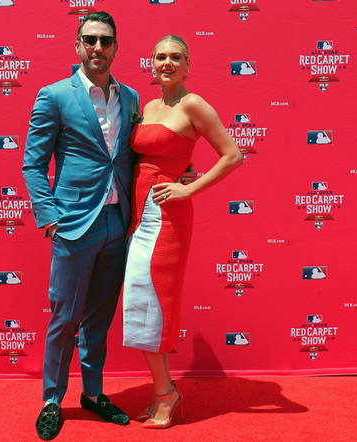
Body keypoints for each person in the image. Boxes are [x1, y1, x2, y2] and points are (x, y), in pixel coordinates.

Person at [22, 11, 138, 440]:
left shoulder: (129, 98)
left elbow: (132, 156)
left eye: (106, 41)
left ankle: (93, 394)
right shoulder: (54, 96)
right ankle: (53, 399)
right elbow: (33, 164)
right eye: (90, 40)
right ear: (77, 46)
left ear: (115, 48)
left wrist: (179, 170)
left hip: (116, 223)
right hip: (74, 226)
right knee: (64, 317)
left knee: (99, 319)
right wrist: (49, 217)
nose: (98, 49)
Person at [122, 34, 243, 429]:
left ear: (187, 65)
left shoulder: (192, 104)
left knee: (154, 305)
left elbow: (233, 154)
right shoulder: (149, 105)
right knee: (141, 306)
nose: (167, 62)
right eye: (160, 56)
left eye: (176, 57)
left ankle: (165, 396)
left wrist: (188, 186)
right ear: (151, 64)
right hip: (140, 220)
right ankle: (166, 390)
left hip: (167, 221)